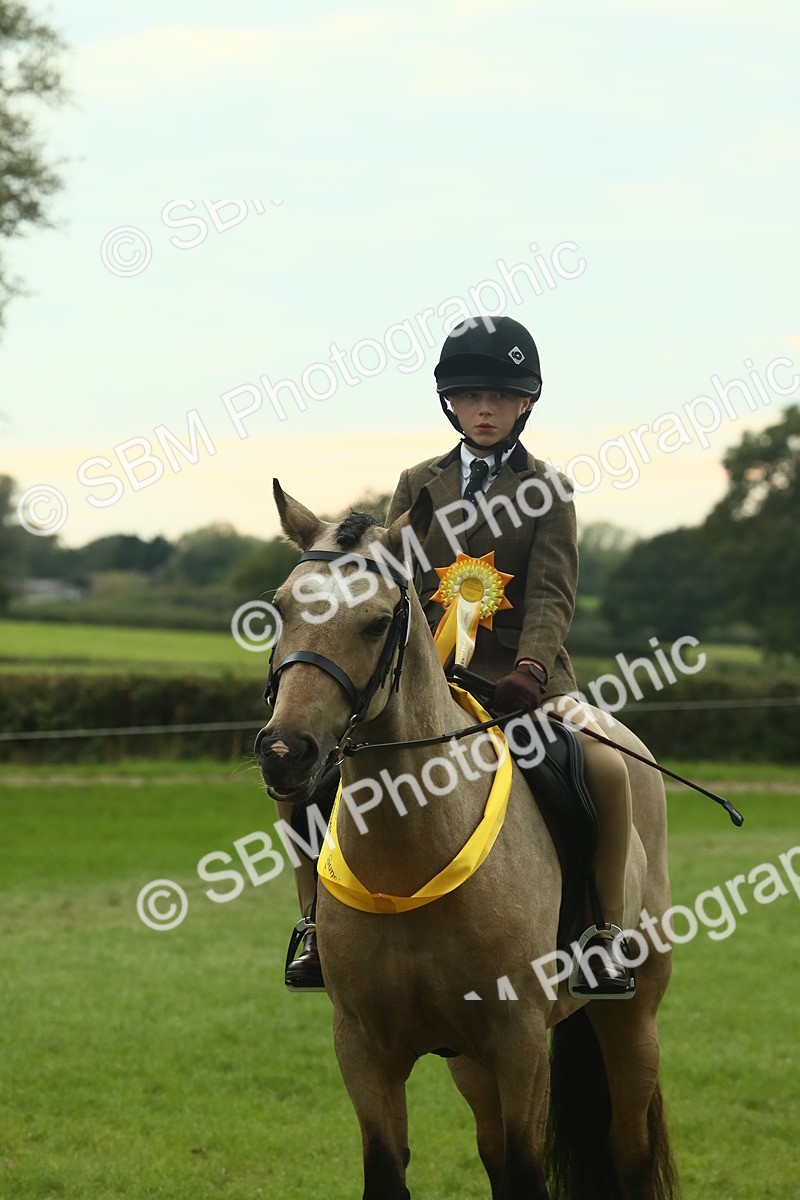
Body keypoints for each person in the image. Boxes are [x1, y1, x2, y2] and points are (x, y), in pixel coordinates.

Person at [283, 314, 633, 997]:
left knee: (606, 767)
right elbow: (391, 588)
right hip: (425, 685)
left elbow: (553, 594)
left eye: (500, 397)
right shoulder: (417, 482)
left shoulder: (550, 491)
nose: (484, 409)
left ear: (525, 403)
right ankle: (317, 927)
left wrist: (531, 669)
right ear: (450, 401)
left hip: (525, 683)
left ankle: (603, 932)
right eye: (472, 396)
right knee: (307, 784)